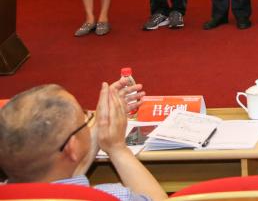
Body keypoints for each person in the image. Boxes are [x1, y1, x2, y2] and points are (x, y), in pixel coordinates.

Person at [0, 81, 167, 200]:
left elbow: (59, 183)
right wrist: (117, 148)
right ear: (71, 147)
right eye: (86, 117)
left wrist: (101, 124)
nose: (89, 119)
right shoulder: (112, 196)